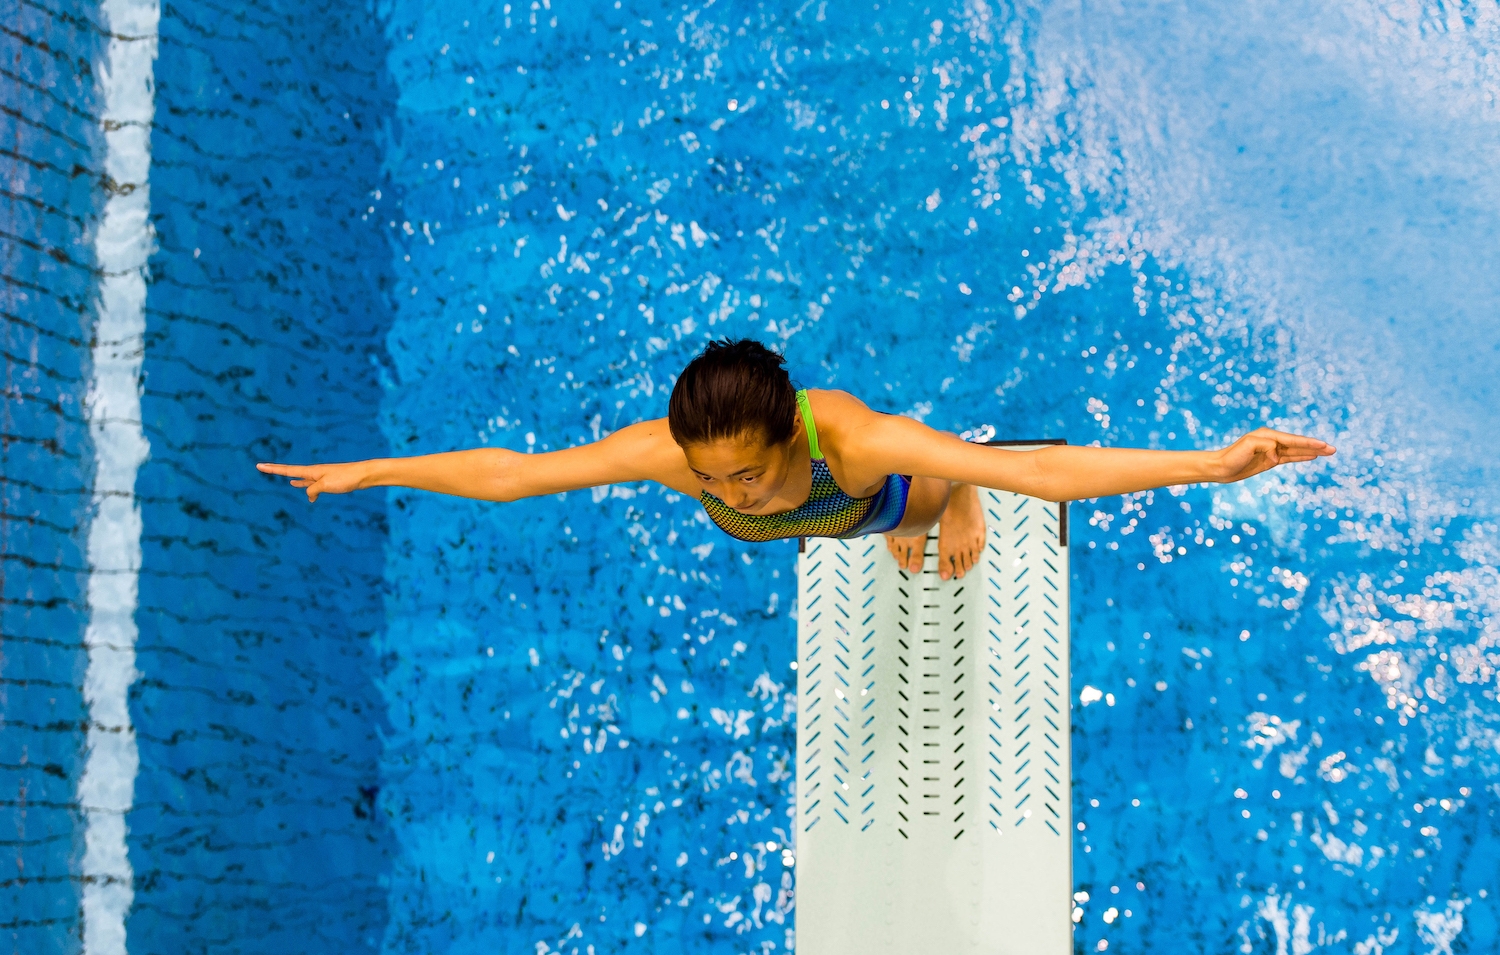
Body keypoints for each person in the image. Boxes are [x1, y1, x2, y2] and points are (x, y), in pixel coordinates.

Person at [257, 339, 1335, 580]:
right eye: (713, 478)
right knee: (867, 531)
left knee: (938, 493)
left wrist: (1208, 463)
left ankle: (936, 508)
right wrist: (374, 470)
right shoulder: (672, 457)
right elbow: (517, 472)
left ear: (791, 438)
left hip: (881, 494)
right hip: (827, 523)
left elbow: (1042, 476)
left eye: (749, 474)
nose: (727, 492)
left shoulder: (848, 441)